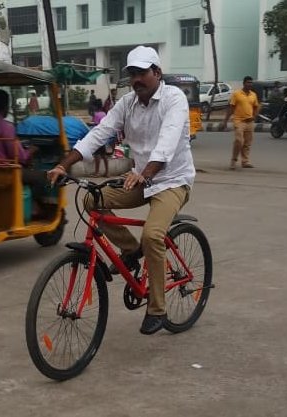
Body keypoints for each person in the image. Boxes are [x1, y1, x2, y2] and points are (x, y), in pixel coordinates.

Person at [48, 45, 195, 335]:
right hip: (139, 178)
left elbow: (166, 144)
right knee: (91, 199)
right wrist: (64, 165)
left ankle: (157, 308)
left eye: (142, 72)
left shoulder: (174, 99)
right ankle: (130, 249)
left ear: (157, 72)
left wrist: (145, 174)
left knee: (153, 235)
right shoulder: (127, 103)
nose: (137, 79)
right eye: (132, 74)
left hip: (172, 180)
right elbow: (98, 134)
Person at [0, 89, 46, 213]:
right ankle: (34, 208)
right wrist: (32, 150)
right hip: (5, 172)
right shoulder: (6, 126)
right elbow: (20, 157)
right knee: (43, 177)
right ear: (5, 106)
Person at [222, 76, 259, 170]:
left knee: (247, 143)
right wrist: (225, 121)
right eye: (248, 82)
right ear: (244, 83)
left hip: (249, 122)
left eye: (251, 83)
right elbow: (231, 108)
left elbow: (256, 106)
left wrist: (254, 116)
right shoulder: (236, 94)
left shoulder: (253, 95)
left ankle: (245, 161)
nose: (250, 84)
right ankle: (233, 161)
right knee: (239, 141)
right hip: (239, 121)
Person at [90, 98, 110, 177]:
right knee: (104, 155)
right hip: (105, 136)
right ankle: (107, 172)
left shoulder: (96, 115)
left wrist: (90, 123)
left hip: (98, 136)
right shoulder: (104, 114)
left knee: (97, 155)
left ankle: (97, 172)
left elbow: (95, 125)